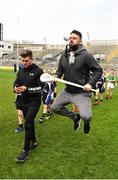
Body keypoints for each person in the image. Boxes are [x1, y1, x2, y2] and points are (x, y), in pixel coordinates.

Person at [51, 30, 103, 134]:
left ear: (80, 41)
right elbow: (60, 70)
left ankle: (86, 123)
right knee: (54, 108)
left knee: (86, 116)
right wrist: (56, 77)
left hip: (82, 93)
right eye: (70, 38)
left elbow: (98, 70)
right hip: (68, 91)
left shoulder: (86, 55)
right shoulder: (63, 56)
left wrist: (90, 83)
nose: (71, 40)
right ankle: (75, 117)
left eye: (74, 38)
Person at [13, 49, 44, 163]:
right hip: (23, 101)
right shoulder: (21, 70)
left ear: (31, 59)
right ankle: (34, 142)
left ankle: (25, 150)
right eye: (22, 61)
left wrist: (28, 89)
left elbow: (41, 87)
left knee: (28, 123)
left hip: (34, 102)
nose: (24, 63)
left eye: (26, 61)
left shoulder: (38, 71)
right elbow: (16, 82)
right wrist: (15, 88)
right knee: (29, 123)